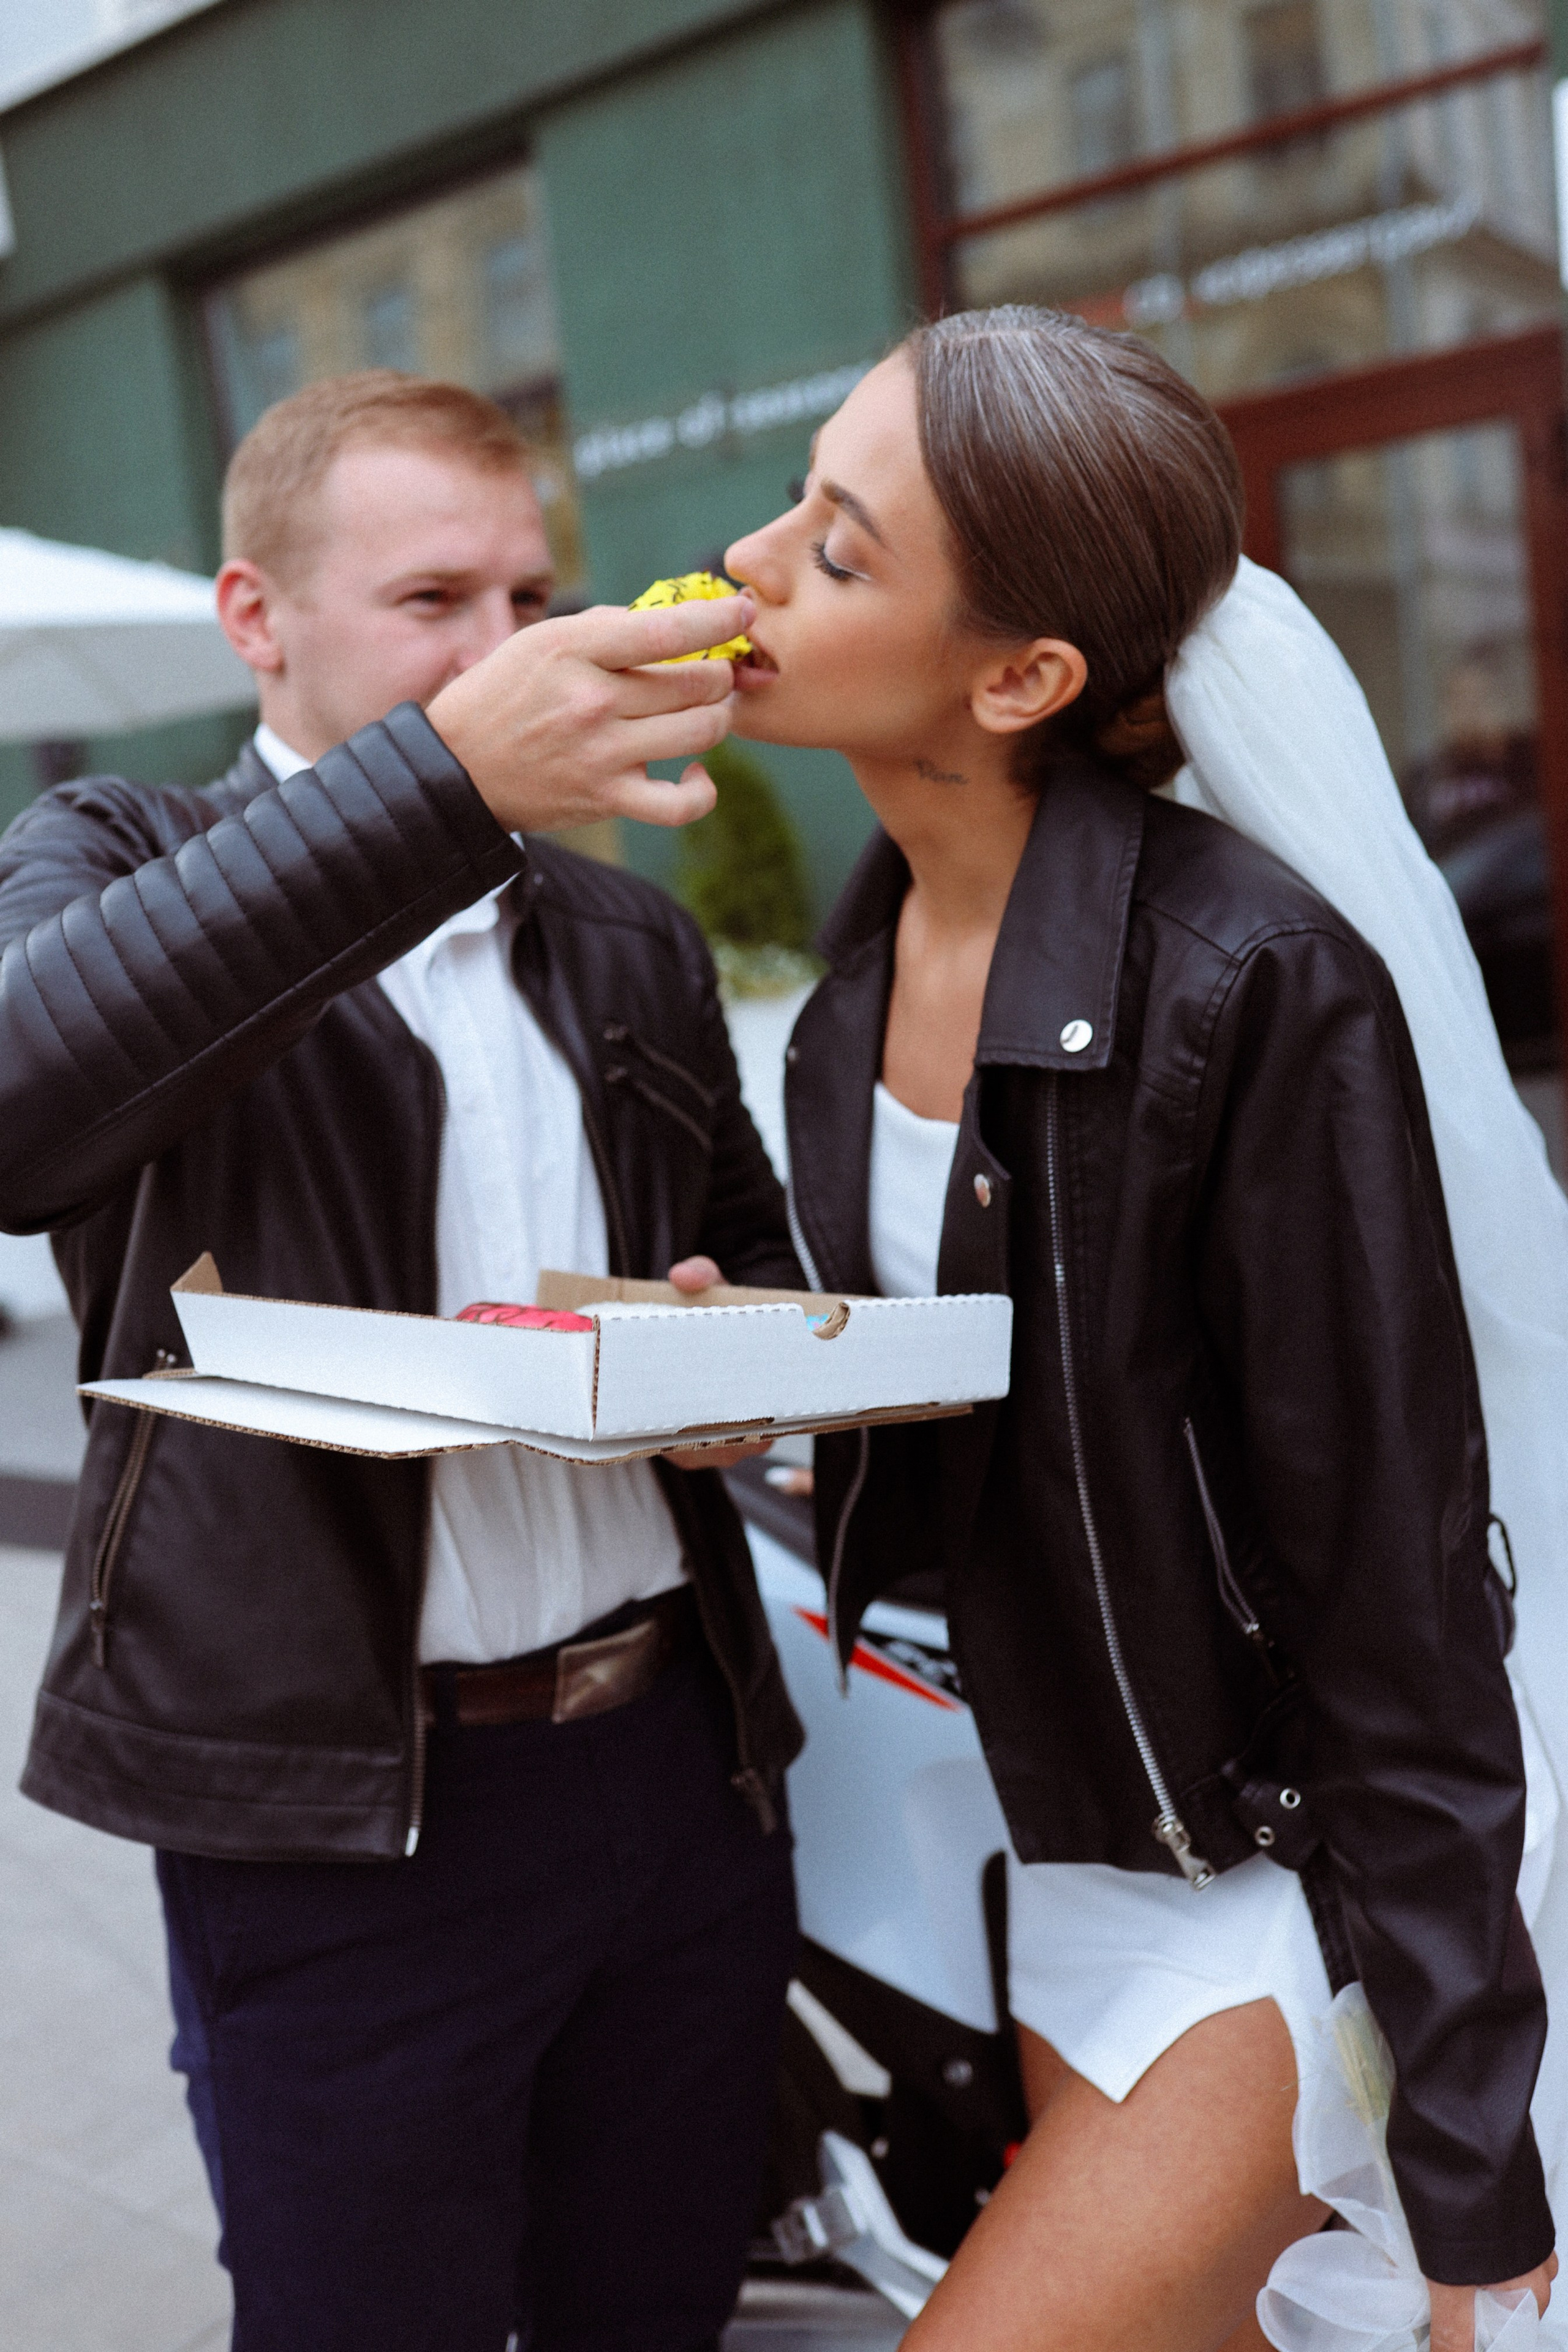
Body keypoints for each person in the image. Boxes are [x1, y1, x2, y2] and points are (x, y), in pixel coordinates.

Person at [720, 307, 1568, 2350]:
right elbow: (1017, 1463)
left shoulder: (1251, 985)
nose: (746, 564)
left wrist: (1477, 2171)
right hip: (1068, 1846)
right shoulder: (845, 1012)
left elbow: (1400, 1602)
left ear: (1019, 678)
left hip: (1289, 1877)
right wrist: (756, 1374)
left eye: (836, 548)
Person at [0, 370, 800, 2352]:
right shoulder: (120, 848)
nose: (504, 647)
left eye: (528, 597)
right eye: (435, 601)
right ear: (257, 617)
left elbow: (757, 1257)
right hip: (336, 1822)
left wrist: (738, 1357)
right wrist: (440, 787)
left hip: (672, 1772)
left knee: (659, 2313)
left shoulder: (625, 937)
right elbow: (20, 1110)